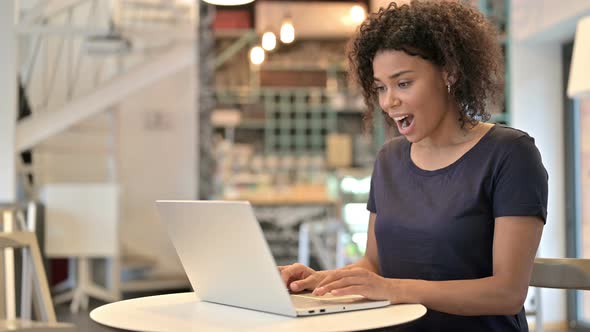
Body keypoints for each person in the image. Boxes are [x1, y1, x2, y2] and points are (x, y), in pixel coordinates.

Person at [279, 1, 548, 331]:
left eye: (403, 83)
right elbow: (375, 264)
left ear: (448, 72)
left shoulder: (510, 154)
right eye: (380, 87)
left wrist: (393, 289)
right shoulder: (389, 159)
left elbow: (507, 292)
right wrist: (322, 282)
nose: (389, 101)